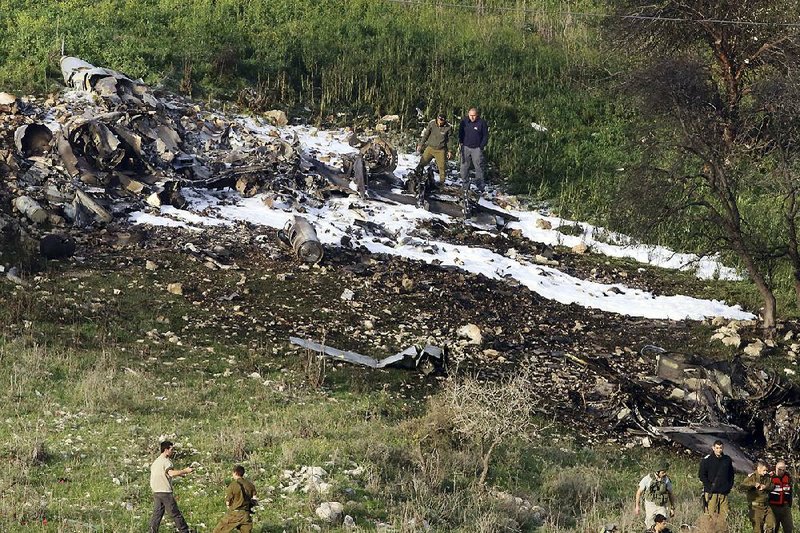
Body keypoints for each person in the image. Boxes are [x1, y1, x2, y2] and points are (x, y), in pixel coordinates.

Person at [149, 440, 193, 533]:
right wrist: (185, 470)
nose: (172, 451)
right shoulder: (167, 462)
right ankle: (185, 531)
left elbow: (163, 473)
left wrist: (180, 474)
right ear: (166, 450)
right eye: (171, 449)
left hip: (156, 491)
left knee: (157, 514)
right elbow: (171, 473)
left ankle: (152, 531)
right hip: (165, 491)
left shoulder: (156, 462)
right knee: (175, 513)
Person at [698, 440, 735, 522]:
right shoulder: (707, 460)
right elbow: (701, 475)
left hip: (723, 493)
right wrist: (709, 487)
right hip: (712, 493)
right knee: (710, 516)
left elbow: (731, 475)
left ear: (723, 448)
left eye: (720, 448)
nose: (719, 450)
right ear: (713, 448)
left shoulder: (727, 460)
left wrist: (728, 487)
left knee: (724, 516)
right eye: (717, 448)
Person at [213, 465, 257, 533]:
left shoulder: (233, 485)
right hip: (246, 514)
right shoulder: (250, 485)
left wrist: (230, 508)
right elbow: (254, 499)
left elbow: (228, 502)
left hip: (235, 514)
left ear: (235, 473)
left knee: (217, 531)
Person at [414, 113, 452, 185]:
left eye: (442, 120)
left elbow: (449, 140)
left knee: (442, 167)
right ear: (437, 118)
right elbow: (426, 135)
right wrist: (420, 144)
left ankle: (442, 183)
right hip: (430, 148)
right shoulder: (432, 123)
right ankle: (417, 177)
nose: (440, 121)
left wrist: (450, 151)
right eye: (439, 119)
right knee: (422, 163)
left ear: (444, 121)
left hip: (441, 150)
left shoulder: (448, 127)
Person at [458, 107, 489, 194]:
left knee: (478, 167)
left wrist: (481, 146)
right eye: (470, 115)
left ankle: (480, 187)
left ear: (477, 115)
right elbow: (460, 132)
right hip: (466, 147)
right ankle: (465, 185)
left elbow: (485, 136)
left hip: (477, 148)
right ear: (468, 114)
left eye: (474, 115)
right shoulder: (464, 121)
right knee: (464, 167)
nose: (472, 117)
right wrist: (461, 142)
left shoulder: (481, 123)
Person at [635, 463, 676, 529]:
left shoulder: (666, 480)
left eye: (665, 472)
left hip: (662, 505)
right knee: (650, 524)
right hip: (650, 505)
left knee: (662, 524)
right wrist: (637, 506)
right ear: (657, 472)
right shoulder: (647, 479)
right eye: (663, 472)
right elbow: (638, 492)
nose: (665, 474)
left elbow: (671, 494)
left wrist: (672, 508)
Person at [739, 460, 775, 533]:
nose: (765, 472)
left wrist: (766, 487)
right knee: (758, 529)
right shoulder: (752, 476)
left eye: (766, 470)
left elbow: (772, 486)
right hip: (755, 507)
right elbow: (742, 486)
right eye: (764, 470)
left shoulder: (767, 477)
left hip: (766, 506)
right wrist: (753, 484)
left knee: (771, 525)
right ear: (758, 468)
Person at [769, 460, 794, 533]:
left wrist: (789, 505)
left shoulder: (788, 477)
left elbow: (790, 492)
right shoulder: (770, 477)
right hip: (773, 507)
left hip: (785, 507)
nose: (782, 471)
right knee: (773, 529)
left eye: (783, 470)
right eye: (780, 469)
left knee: (789, 528)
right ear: (776, 468)